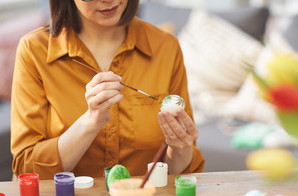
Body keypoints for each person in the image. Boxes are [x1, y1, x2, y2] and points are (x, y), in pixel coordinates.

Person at [11, 0, 205, 180]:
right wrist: (90, 122)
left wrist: (181, 149)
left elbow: (177, 173)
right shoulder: (34, 50)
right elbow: (27, 169)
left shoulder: (165, 47)